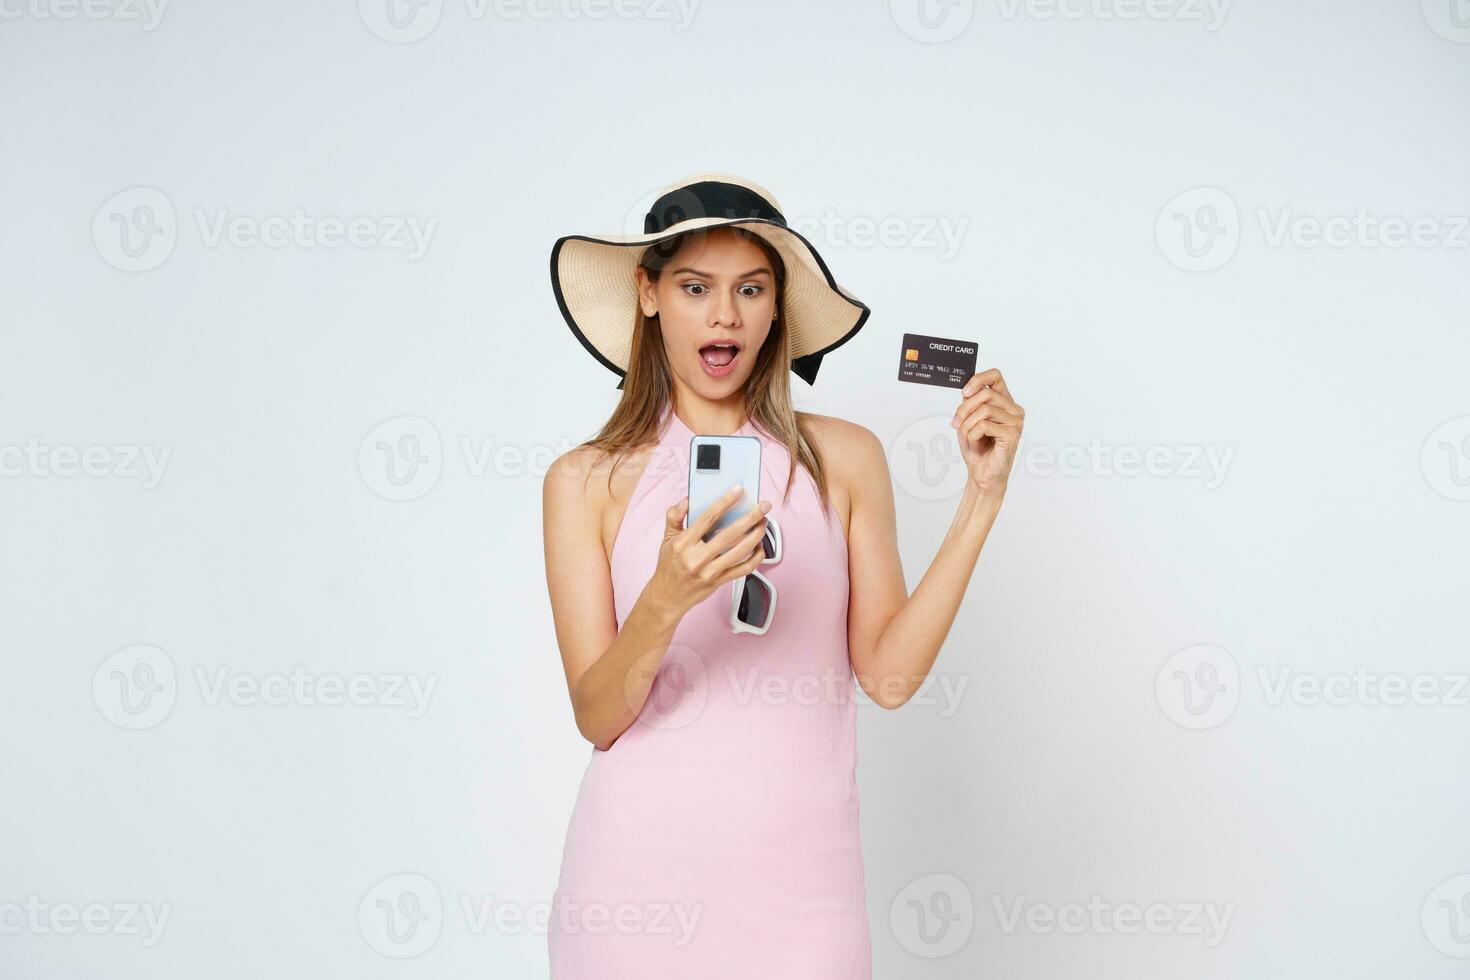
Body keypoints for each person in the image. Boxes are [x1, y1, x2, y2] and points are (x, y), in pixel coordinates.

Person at [541, 172, 1024, 978]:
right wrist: (665, 601)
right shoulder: (584, 480)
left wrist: (982, 499)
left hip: (804, 894)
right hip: (633, 890)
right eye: (696, 287)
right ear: (649, 293)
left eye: (751, 289)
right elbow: (597, 716)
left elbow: (892, 678)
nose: (725, 314)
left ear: (776, 307)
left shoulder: (845, 458)